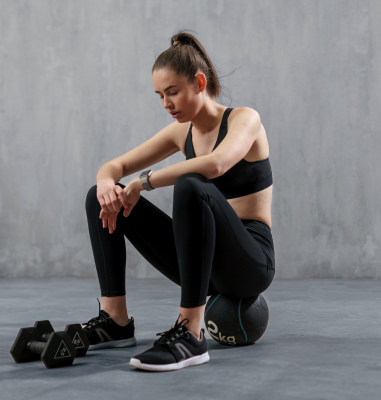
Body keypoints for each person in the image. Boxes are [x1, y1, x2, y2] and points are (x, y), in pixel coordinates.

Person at [83, 31, 275, 372]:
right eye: (159, 96)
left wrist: (144, 182)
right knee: (101, 197)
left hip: (249, 263)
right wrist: (104, 182)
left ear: (199, 83)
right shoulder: (180, 132)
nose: (166, 104)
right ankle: (115, 320)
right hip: (202, 263)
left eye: (172, 92)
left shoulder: (245, 119)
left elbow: (215, 164)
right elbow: (114, 167)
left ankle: (191, 331)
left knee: (192, 185)